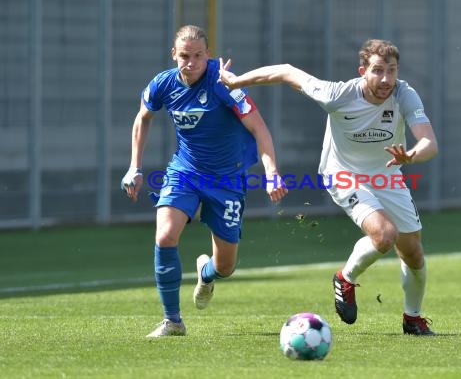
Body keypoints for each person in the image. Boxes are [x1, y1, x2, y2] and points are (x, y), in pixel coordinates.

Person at [218, 39, 438, 335]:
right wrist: (236, 81)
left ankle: (413, 318)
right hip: (343, 174)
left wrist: (411, 155)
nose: (386, 79)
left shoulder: (403, 94)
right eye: (377, 71)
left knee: (413, 253)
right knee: (385, 235)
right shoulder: (337, 95)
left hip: (387, 175)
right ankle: (345, 279)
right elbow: (285, 71)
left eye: (391, 70)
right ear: (363, 71)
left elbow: (429, 143)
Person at [121, 25, 288, 337]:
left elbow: (259, 128)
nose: (191, 62)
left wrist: (272, 172)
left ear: (208, 55)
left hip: (227, 179)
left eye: (198, 55)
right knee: (165, 235)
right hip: (184, 171)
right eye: (184, 55)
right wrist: (135, 166)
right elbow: (143, 117)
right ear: (174, 55)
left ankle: (206, 273)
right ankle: (172, 321)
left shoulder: (224, 83)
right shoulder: (163, 84)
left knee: (225, 267)